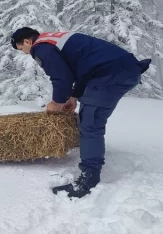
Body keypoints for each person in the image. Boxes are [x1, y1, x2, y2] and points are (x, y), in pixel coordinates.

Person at [10, 27, 150, 198]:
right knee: (89, 118)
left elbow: (61, 77)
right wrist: (74, 97)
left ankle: (88, 179)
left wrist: (57, 102)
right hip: (117, 70)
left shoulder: (40, 46)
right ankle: (91, 158)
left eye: (22, 49)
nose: (26, 53)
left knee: (90, 123)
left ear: (26, 41)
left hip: (110, 74)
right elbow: (85, 68)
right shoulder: (53, 39)